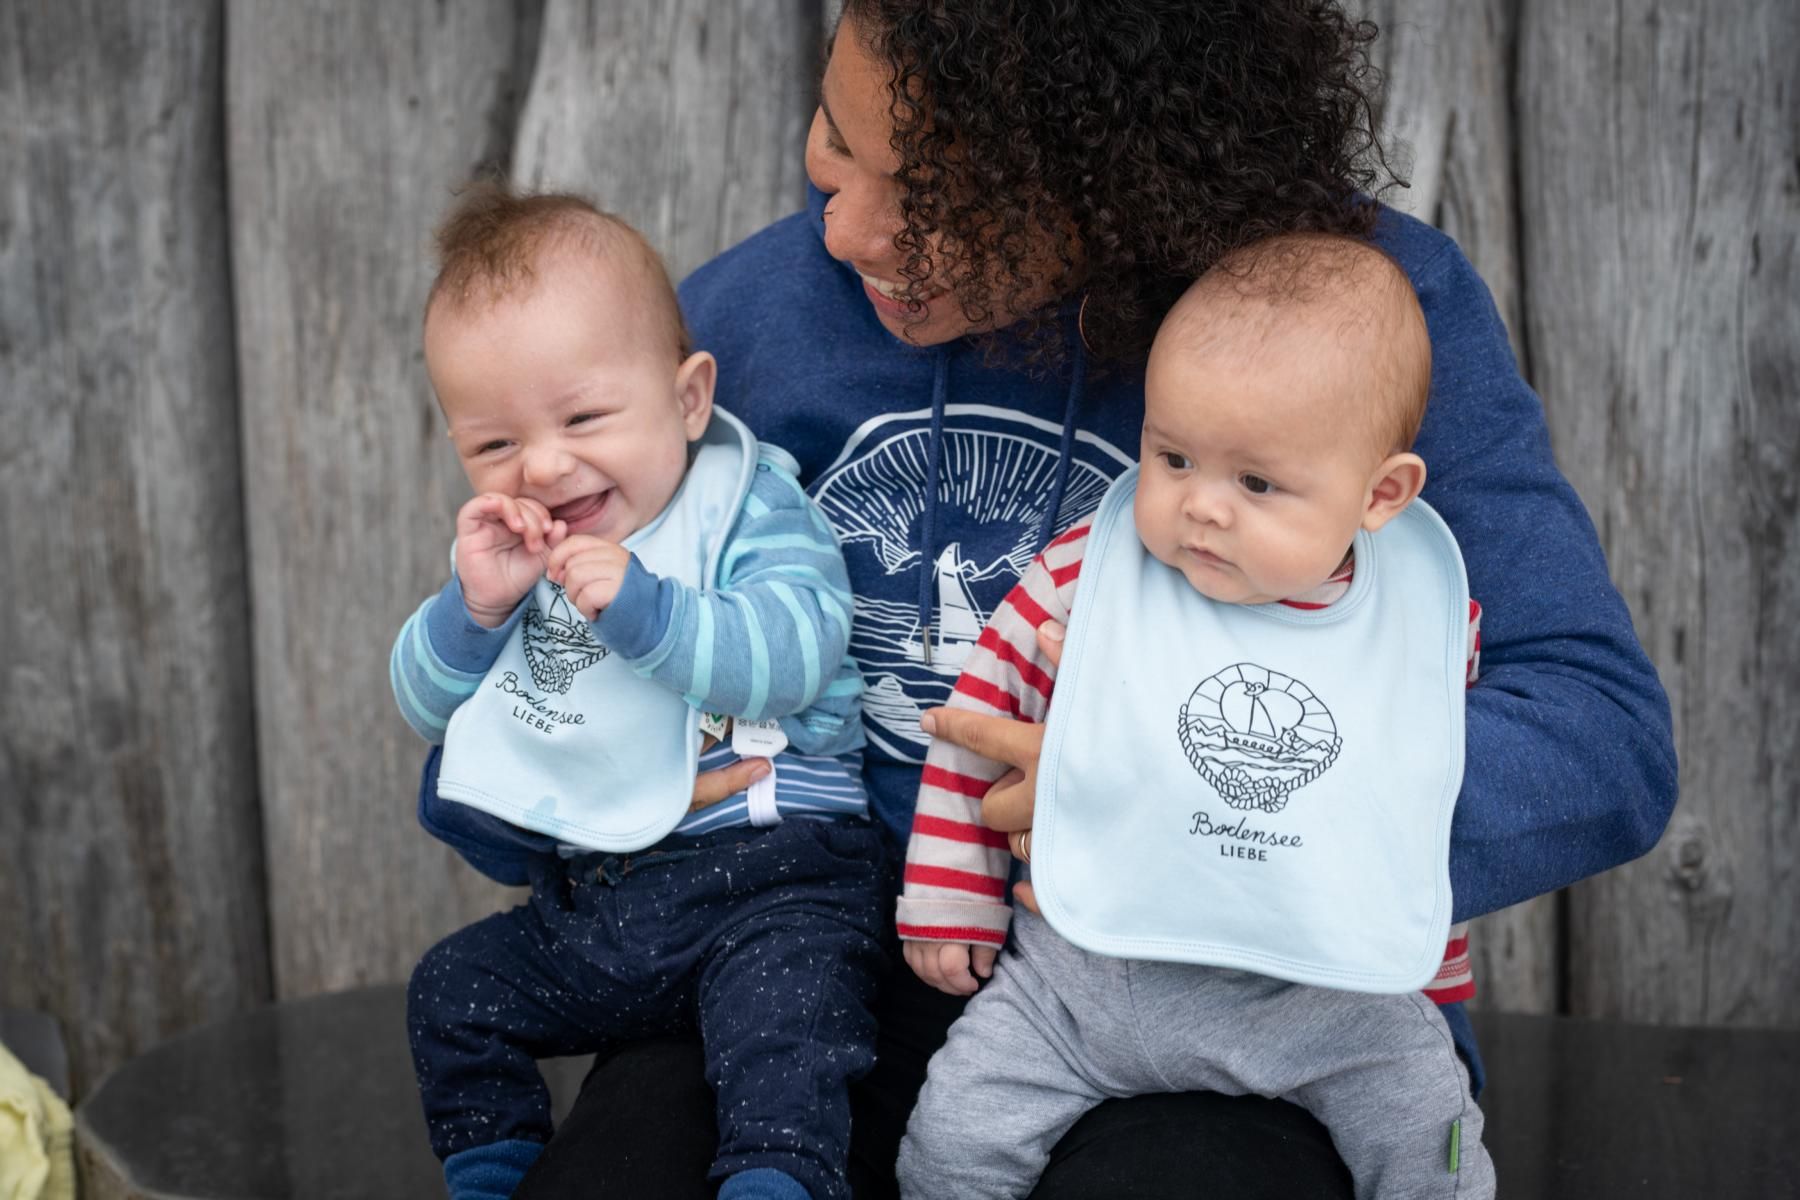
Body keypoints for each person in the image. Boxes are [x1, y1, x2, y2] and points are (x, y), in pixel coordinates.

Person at [508, 3, 1677, 1196]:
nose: (846, 226)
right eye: (833, 136)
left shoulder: (1355, 322)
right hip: (811, 973)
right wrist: (569, 747)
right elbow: (537, 699)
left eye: (930, 194)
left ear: (1116, 181)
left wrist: (1182, 797)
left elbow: (1601, 741)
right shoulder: (753, 319)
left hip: (1241, 1015)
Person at [896, 233, 1495, 1199]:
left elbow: (1427, 786)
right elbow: (977, 716)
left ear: (1381, 493)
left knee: (1429, 1132)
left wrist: (1427, 946)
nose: (1201, 508)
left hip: (1327, 998)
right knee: (952, 1136)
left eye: (1256, 483)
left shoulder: (1420, 627)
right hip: (1086, 981)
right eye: (1173, 456)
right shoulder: (1080, 579)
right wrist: (951, 894)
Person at [391, 182, 888, 1200]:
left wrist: (653, 617)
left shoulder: (747, 502)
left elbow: (800, 648)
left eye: (582, 416)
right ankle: (495, 1170)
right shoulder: (516, 560)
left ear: (689, 396)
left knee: (787, 1034)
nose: (543, 464)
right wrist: (471, 612)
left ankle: (776, 1180)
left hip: (777, 879)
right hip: (605, 904)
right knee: (452, 989)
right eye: (495, 443)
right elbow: (423, 705)